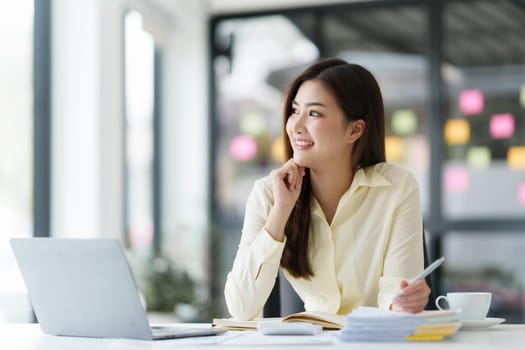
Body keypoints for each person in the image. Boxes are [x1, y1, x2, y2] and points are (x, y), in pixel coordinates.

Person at [224, 58, 430, 320]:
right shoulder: (269, 193)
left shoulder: (397, 187)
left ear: (354, 130)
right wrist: (280, 212)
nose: (295, 126)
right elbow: (241, 308)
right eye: (295, 110)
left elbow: (396, 295)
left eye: (314, 113)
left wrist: (406, 301)